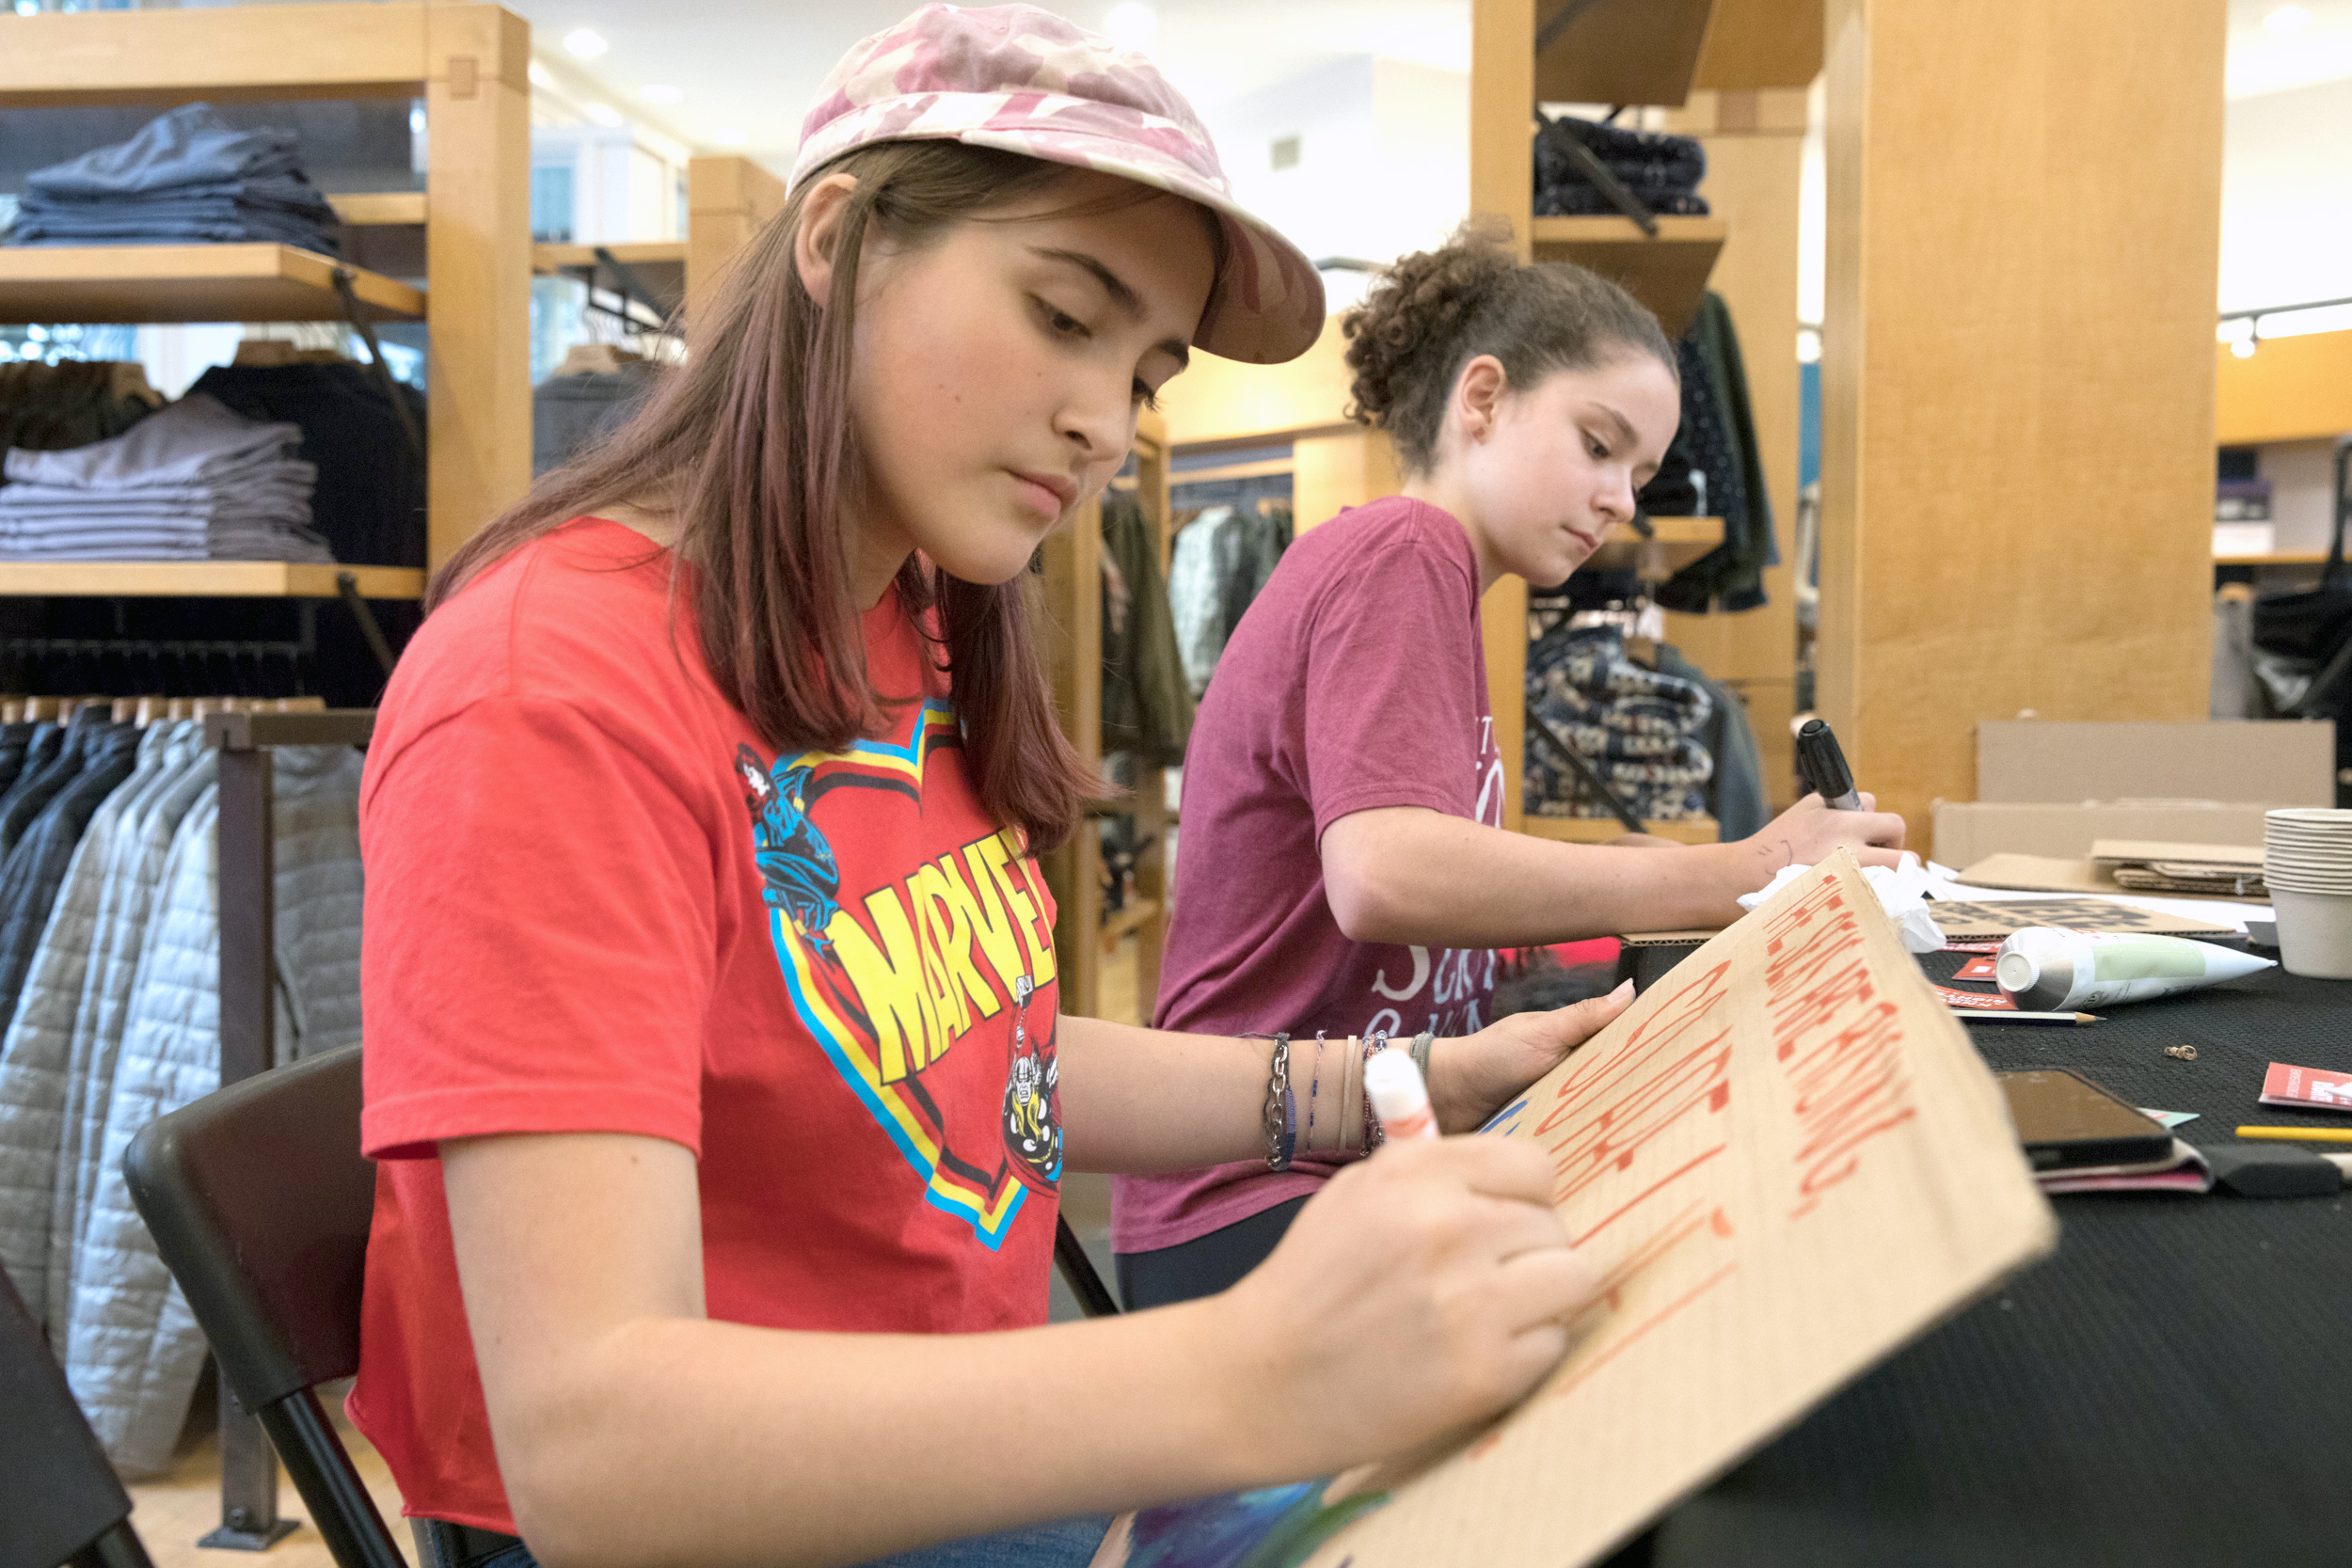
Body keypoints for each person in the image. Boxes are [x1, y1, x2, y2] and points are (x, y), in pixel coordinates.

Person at [347, 10, 1639, 1568]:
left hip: (977, 1453)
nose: (1107, 420)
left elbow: (982, 1051)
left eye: (1144, 370)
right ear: (841, 238)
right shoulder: (546, 687)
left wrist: (1394, 1093)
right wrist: (1251, 1373)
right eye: (1062, 315)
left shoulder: (911, 619)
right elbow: (593, 1442)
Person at [1111, 230, 1909, 1310]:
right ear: (1481, 399)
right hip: (1254, 1192)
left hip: (1330, 1155)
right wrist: (1747, 865)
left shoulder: (1430, 582)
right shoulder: (1404, 551)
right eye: (1598, 445)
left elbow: (1398, 874)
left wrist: (1614, 883)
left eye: (1639, 473)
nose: (1622, 498)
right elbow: (1385, 874)